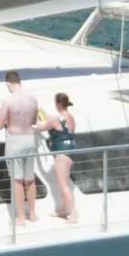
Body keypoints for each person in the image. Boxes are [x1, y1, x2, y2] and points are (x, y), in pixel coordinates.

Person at [0, 70, 44, 223]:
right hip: (30, 139)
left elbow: (0, 124)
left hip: (15, 140)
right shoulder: (32, 98)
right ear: (20, 82)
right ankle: (33, 214)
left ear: (8, 83)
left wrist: (2, 117)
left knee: (17, 179)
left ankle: (21, 218)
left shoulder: (8, 100)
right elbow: (33, 120)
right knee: (30, 178)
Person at [47, 91, 79, 222]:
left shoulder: (56, 119)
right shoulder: (70, 117)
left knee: (63, 184)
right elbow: (58, 123)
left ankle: (73, 212)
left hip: (61, 154)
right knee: (64, 183)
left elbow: (41, 126)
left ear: (58, 103)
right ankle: (63, 210)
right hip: (70, 152)